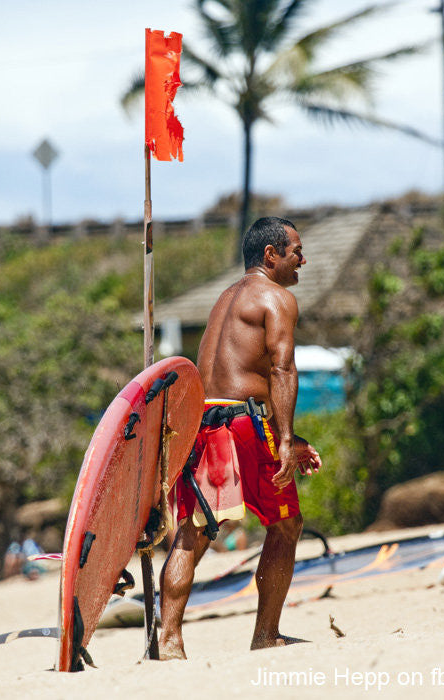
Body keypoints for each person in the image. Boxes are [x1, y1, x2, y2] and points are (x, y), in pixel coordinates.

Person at [159, 217, 322, 659]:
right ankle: (266, 635)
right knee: (286, 524)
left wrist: (290, 437)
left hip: (204, 422)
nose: (301, 260)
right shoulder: (276, 297)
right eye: (295, 251)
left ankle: (169, 641)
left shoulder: (223, 300)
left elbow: (232, 380)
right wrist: (286, 441)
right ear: (270, 255)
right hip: (247, 425)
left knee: (193, 535)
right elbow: (281, 369)